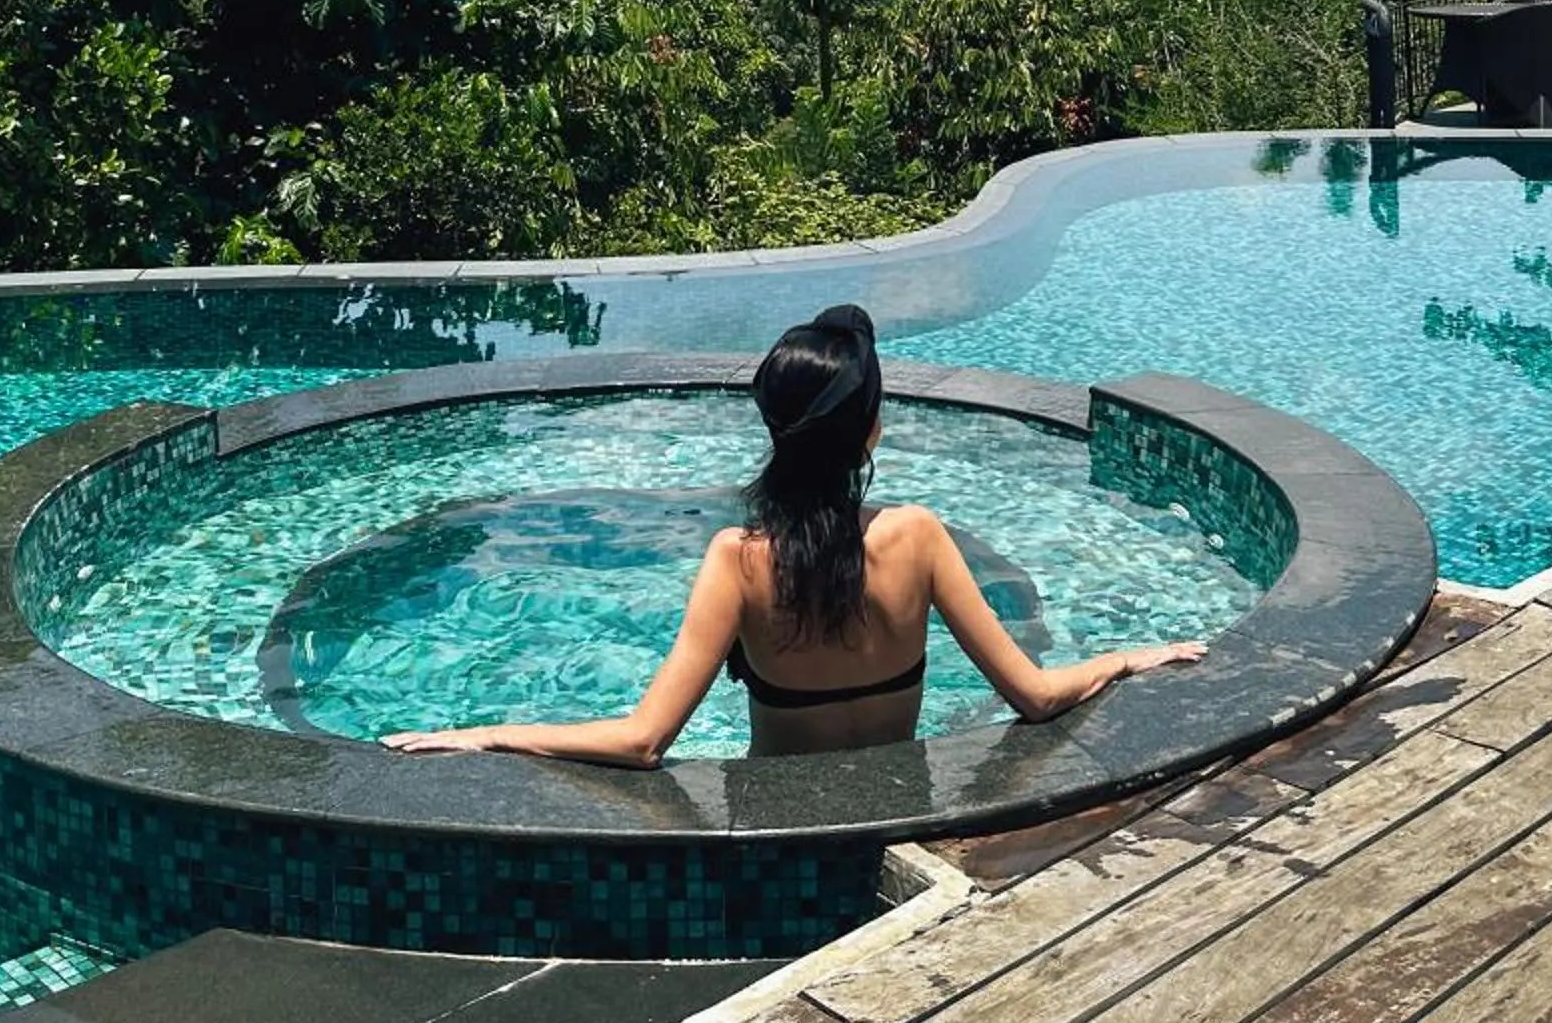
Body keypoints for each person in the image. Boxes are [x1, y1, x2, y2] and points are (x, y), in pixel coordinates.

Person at [383, 303, 1205, 765]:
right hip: (899, 803)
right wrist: (1128, 656)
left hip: (775, 822)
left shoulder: (738, 562)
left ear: (771, 427)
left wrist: (486, 732)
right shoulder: (918, 536)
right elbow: (1034, 696)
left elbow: (642, 740)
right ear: (873, 431)